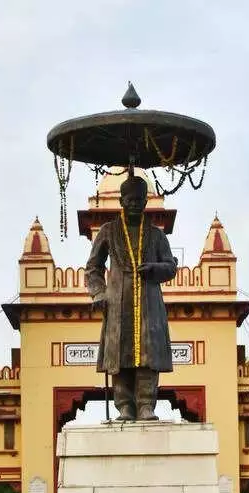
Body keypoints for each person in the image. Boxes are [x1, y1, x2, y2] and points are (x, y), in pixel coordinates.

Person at [85, 175, 177, 421]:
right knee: (119, 353)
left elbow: (170, 267)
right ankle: (124, 405)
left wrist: (155, 268)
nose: (135, 204)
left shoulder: (156, 236)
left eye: (139, 200)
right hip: (117, 302)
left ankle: (146, 404)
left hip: (149, 303)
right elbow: (93, 267)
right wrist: (98, 292)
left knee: (148, 354)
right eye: (130, 200)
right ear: (122, 201)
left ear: (145, 202)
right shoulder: (108, 231)